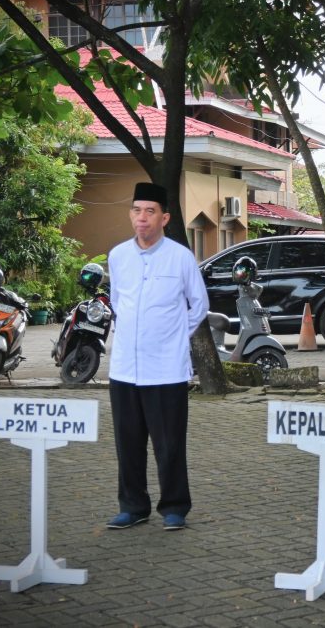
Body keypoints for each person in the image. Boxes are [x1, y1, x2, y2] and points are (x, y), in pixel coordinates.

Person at [105, 182, 209, 531]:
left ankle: (175, 507)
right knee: (128, 443)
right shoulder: (118, 256)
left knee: (169, 445)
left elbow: (199, 305)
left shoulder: (180, 257)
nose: (142, 218)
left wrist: (175, 337)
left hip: (166, 369)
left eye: (150, 211)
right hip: (124, 369)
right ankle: (133, 506)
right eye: (137, 210)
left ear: (164, 217)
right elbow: (118, 303)